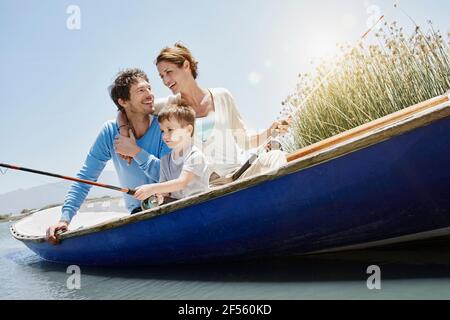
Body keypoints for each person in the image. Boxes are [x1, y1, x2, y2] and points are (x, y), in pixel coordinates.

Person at [117, 43, 290, 183]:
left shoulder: (223, 96)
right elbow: (128, 108)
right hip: (204, 187)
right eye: (162, 76)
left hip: (239, 174)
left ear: (186, 65)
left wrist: (270, 131)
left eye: (169, 72)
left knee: (276, 157)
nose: (166, 81)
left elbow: (244, 141)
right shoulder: (169, 106)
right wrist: (124, 130)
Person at [46, 69, 170, 244]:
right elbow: (86, 178)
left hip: (171, 204)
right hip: (139, 213)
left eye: (149, 88)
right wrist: (64, 220)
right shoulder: (110, 132)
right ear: (123, 101)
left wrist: (135, 152)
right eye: (141, 90)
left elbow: (168, 176)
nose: (150, 94)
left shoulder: (164, 125)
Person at [134, 103, 209, 203]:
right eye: (162, 131)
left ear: (188, 130)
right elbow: (164, 191)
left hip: (199, 205)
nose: (165, 136)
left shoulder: (195, 156)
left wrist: (151, 188)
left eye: (170, 130)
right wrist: (155, 196)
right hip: (179, 207)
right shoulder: (165, 160)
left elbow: (182, 182)